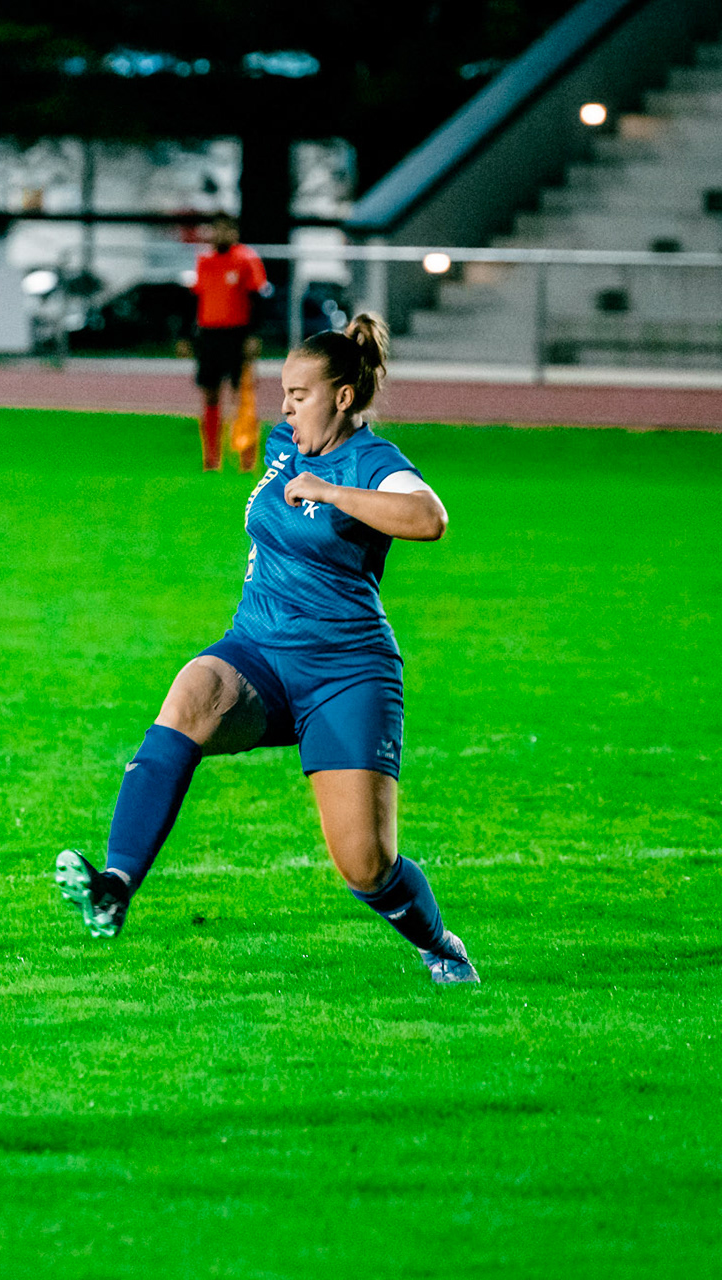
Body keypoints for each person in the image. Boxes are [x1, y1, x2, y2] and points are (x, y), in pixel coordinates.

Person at [56, 314, 478, 985]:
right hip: (257, 649)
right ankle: (115, 885)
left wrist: (334, 491)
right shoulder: (287, 442)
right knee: (192, 692)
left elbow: (429, 519)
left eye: (299, 394)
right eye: (283, 392)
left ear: (342, 398)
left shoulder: (371, 461)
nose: (284, 406)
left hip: (346, 670)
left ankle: (439, 946)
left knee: (364, 863)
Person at [189, 215, 270, 472]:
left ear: (234, 231)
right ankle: (211, 459)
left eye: (226, 229)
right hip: (210, 335)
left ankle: (247, 459)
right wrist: (189, 337)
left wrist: (253, 336)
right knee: (210, 395)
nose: (220, 234)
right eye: (216, 229)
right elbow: (196, 299)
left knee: (243, 396)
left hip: (237, 334)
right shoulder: (204, 260)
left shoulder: (246, 259)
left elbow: (258, 300)